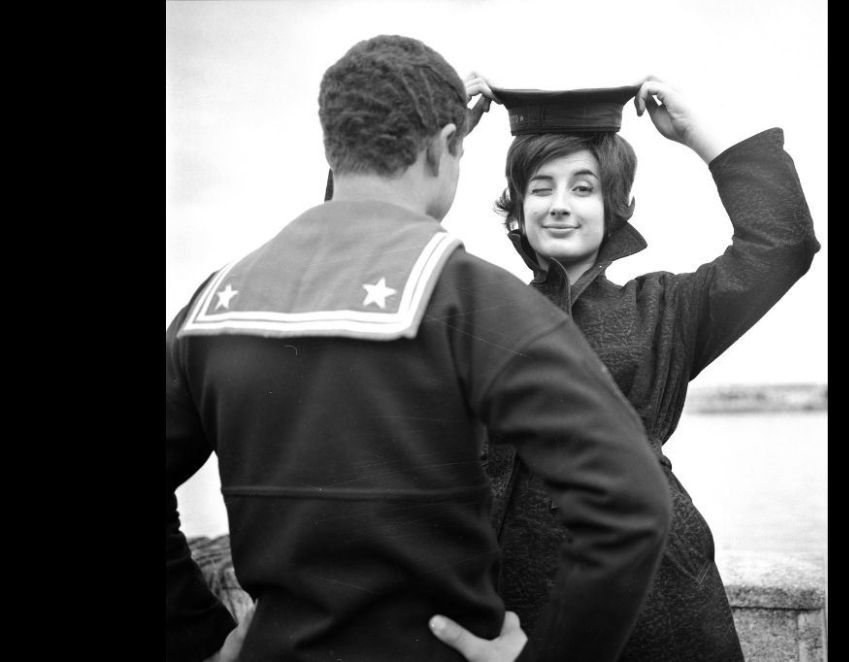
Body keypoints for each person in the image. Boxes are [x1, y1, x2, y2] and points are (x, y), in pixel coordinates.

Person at [166, 35, 675, 662]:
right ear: (445, 145)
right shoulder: (476, 300)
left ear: (333, 146)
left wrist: (197, 639)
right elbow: (630, 505)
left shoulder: (214, 303)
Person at [458, 74, 820, 661]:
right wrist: (434, 138)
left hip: (665, 601)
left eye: (583, 188)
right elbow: (352, 281)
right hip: (516, 610)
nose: (559, 205)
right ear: (518, 210)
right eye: (541, 188)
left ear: (614, 208)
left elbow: (783, 243)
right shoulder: (474, 312)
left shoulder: (665, 309)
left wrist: (698, 133)